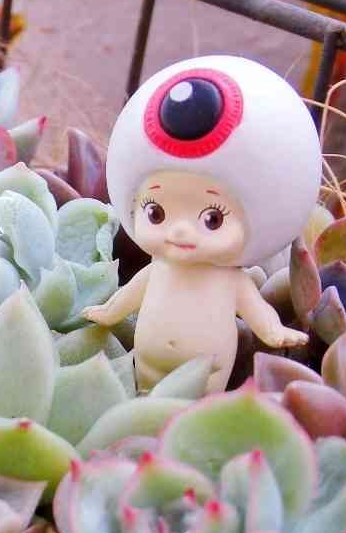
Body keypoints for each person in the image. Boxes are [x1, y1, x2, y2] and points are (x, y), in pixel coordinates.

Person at [83, 55, 322, 393]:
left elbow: (258, 313)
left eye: (213, 219)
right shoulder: (158, 268)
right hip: (148, 361)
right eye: (156, 213)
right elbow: (129, 296)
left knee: (197, 404)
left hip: (208, 371)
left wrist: (274, 332)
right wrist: (107, 313)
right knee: (145, 397)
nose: (180, 230)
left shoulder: (231, 281)